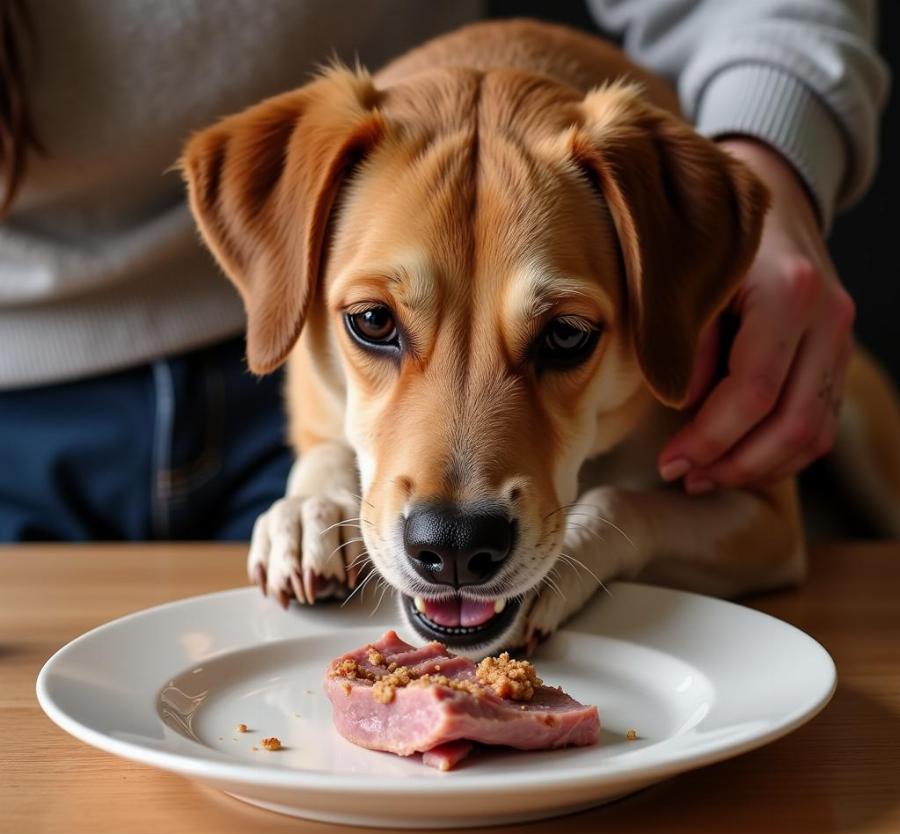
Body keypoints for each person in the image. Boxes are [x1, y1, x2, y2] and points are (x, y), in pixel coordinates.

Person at [0, 0, 887, 541]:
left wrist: (778, 169)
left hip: (285, 370)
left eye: (564, 335)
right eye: (377, 324)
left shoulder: (624, 242)